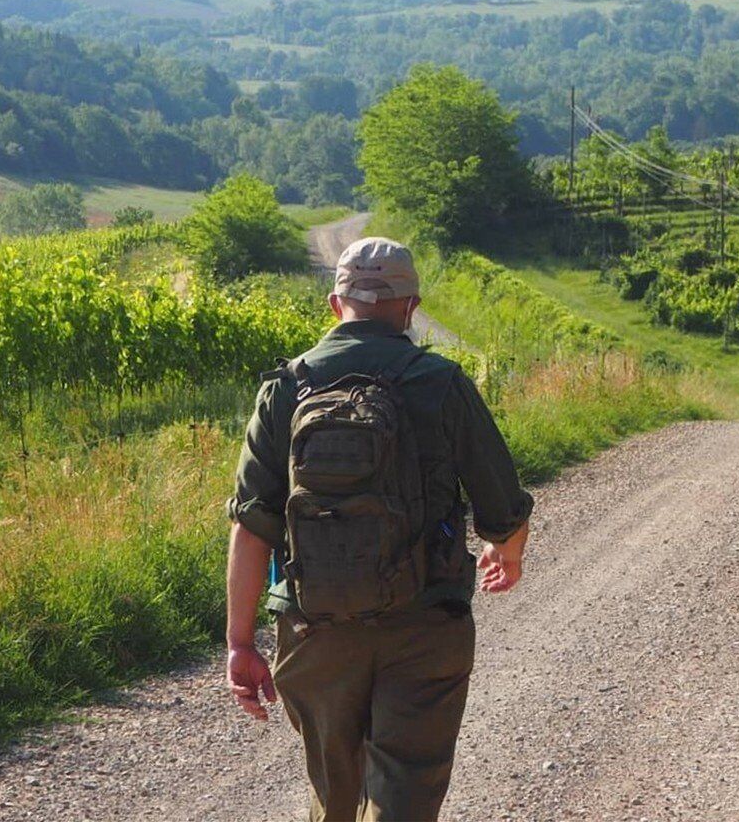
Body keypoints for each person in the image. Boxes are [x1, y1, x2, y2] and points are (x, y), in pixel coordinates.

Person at [225, 236, 533, 822]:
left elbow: (251, 527)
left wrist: (241, 642)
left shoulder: (285, 389)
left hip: (314, 631)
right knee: (404, 790)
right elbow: (503, 509)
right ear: (411, 308)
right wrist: (507, 553)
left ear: (335, 305)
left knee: (333, 793)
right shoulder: (441, 383)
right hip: (423, 625)